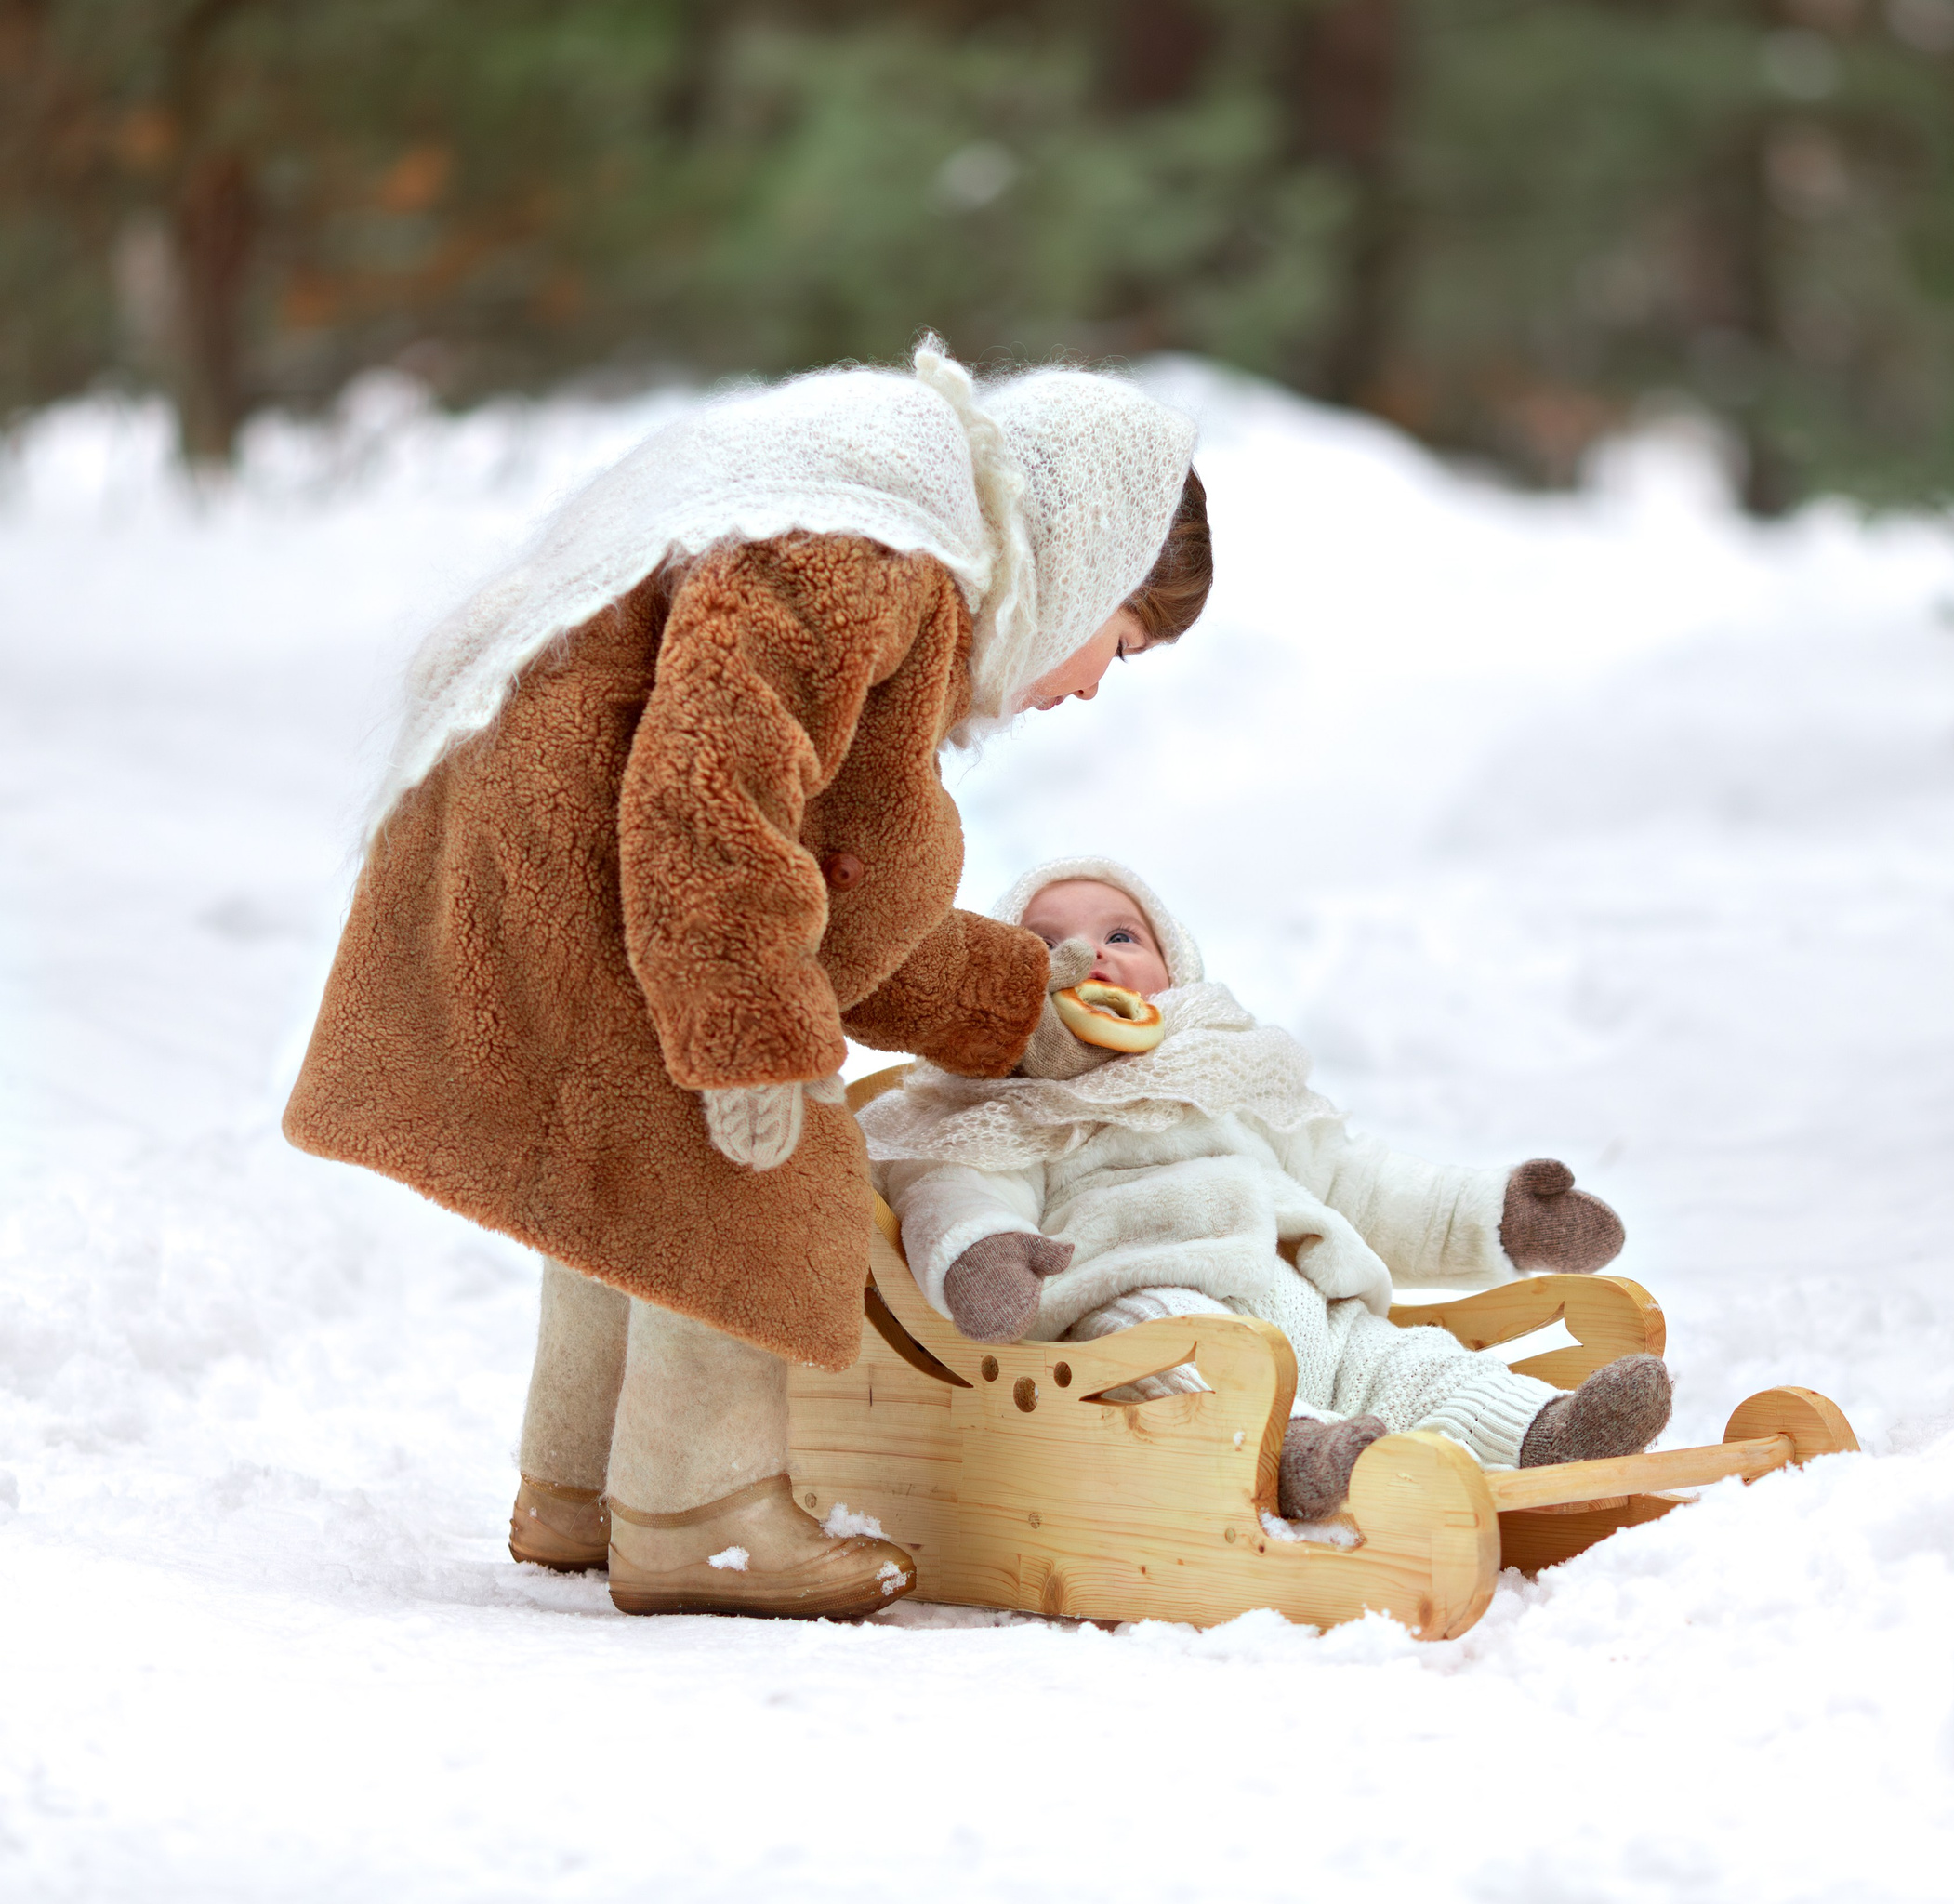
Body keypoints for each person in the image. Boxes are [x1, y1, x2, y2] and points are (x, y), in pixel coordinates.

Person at [284, 340, 1209, 1616]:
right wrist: (755, 1036)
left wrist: (1019, 1009)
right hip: (589, 839)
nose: (1096, 684)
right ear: (1093, 562)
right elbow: (713, 786)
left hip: (573, 837)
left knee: (634, 1158)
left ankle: (579, 1489)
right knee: (759, 1162)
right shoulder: (869, 545)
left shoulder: (914, 552)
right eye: (1125, 641)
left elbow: (836, 892)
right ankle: (699, 1517)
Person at [860, 858, 1672, 1522]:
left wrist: (1502, 1216)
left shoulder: (1231, 1080)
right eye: (1047, 944)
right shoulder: (1000, 1107)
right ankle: (1294, 1456)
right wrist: (981, 1255)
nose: (1093, 958)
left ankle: (1548, 1433)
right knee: (1193, 1362)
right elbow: (957, 1189)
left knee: (1406, 1359)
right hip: (1136, 1312)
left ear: (1175, 972)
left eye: (1119, 935)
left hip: (1302, 1304)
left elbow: (1364, 1183)